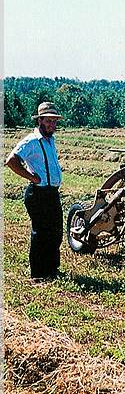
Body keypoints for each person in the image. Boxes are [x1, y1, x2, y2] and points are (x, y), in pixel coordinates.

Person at [5, 102, 64, 283]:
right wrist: (32, 178)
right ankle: (38, 275)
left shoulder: (50, 140)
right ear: (40, 120)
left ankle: (52, 270)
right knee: (41, 232)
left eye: (54, 122)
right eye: (48, 121)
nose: (52, 125)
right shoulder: (31, 140)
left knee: (55, 231)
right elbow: (11, 161)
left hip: (52, 193)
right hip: (38, 194)